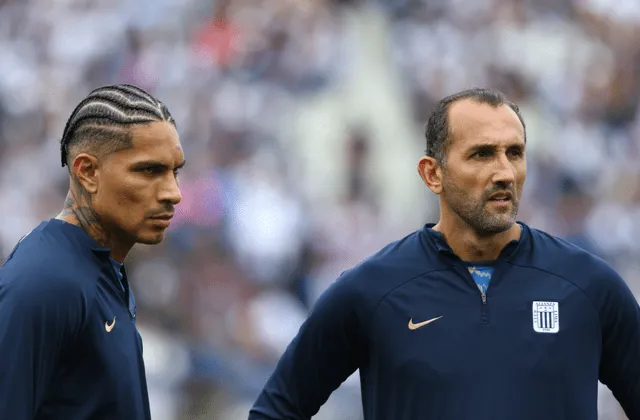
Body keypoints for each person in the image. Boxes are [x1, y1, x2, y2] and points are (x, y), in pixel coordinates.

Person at [249, 88, 640, 420]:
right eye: (482, 154)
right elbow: (276, 410)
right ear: (432, 174)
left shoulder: (589, 286)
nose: (504, 171)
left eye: (515, 153)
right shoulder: (372, 290)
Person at [0, 84, 185, 419]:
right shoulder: (43, 280)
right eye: (149, 170)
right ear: (87, 172)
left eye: (174, 171)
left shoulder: (103, 267)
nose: (173, 193)